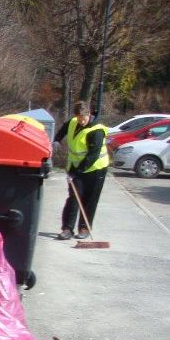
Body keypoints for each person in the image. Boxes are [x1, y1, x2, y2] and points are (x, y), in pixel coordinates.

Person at [53, 101, 109, 240]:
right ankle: (67, 229)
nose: (81, 121)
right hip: (77, 166)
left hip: (96, 169)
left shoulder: (96, 131)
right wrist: (57, 140)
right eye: (78, 118)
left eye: (83, 118)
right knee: (73, 198)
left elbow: (92, 156)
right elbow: (64, 129)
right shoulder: (73, 122)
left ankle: (84, 229)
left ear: (88, 114)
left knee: (89, 200)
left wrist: (75, 173)